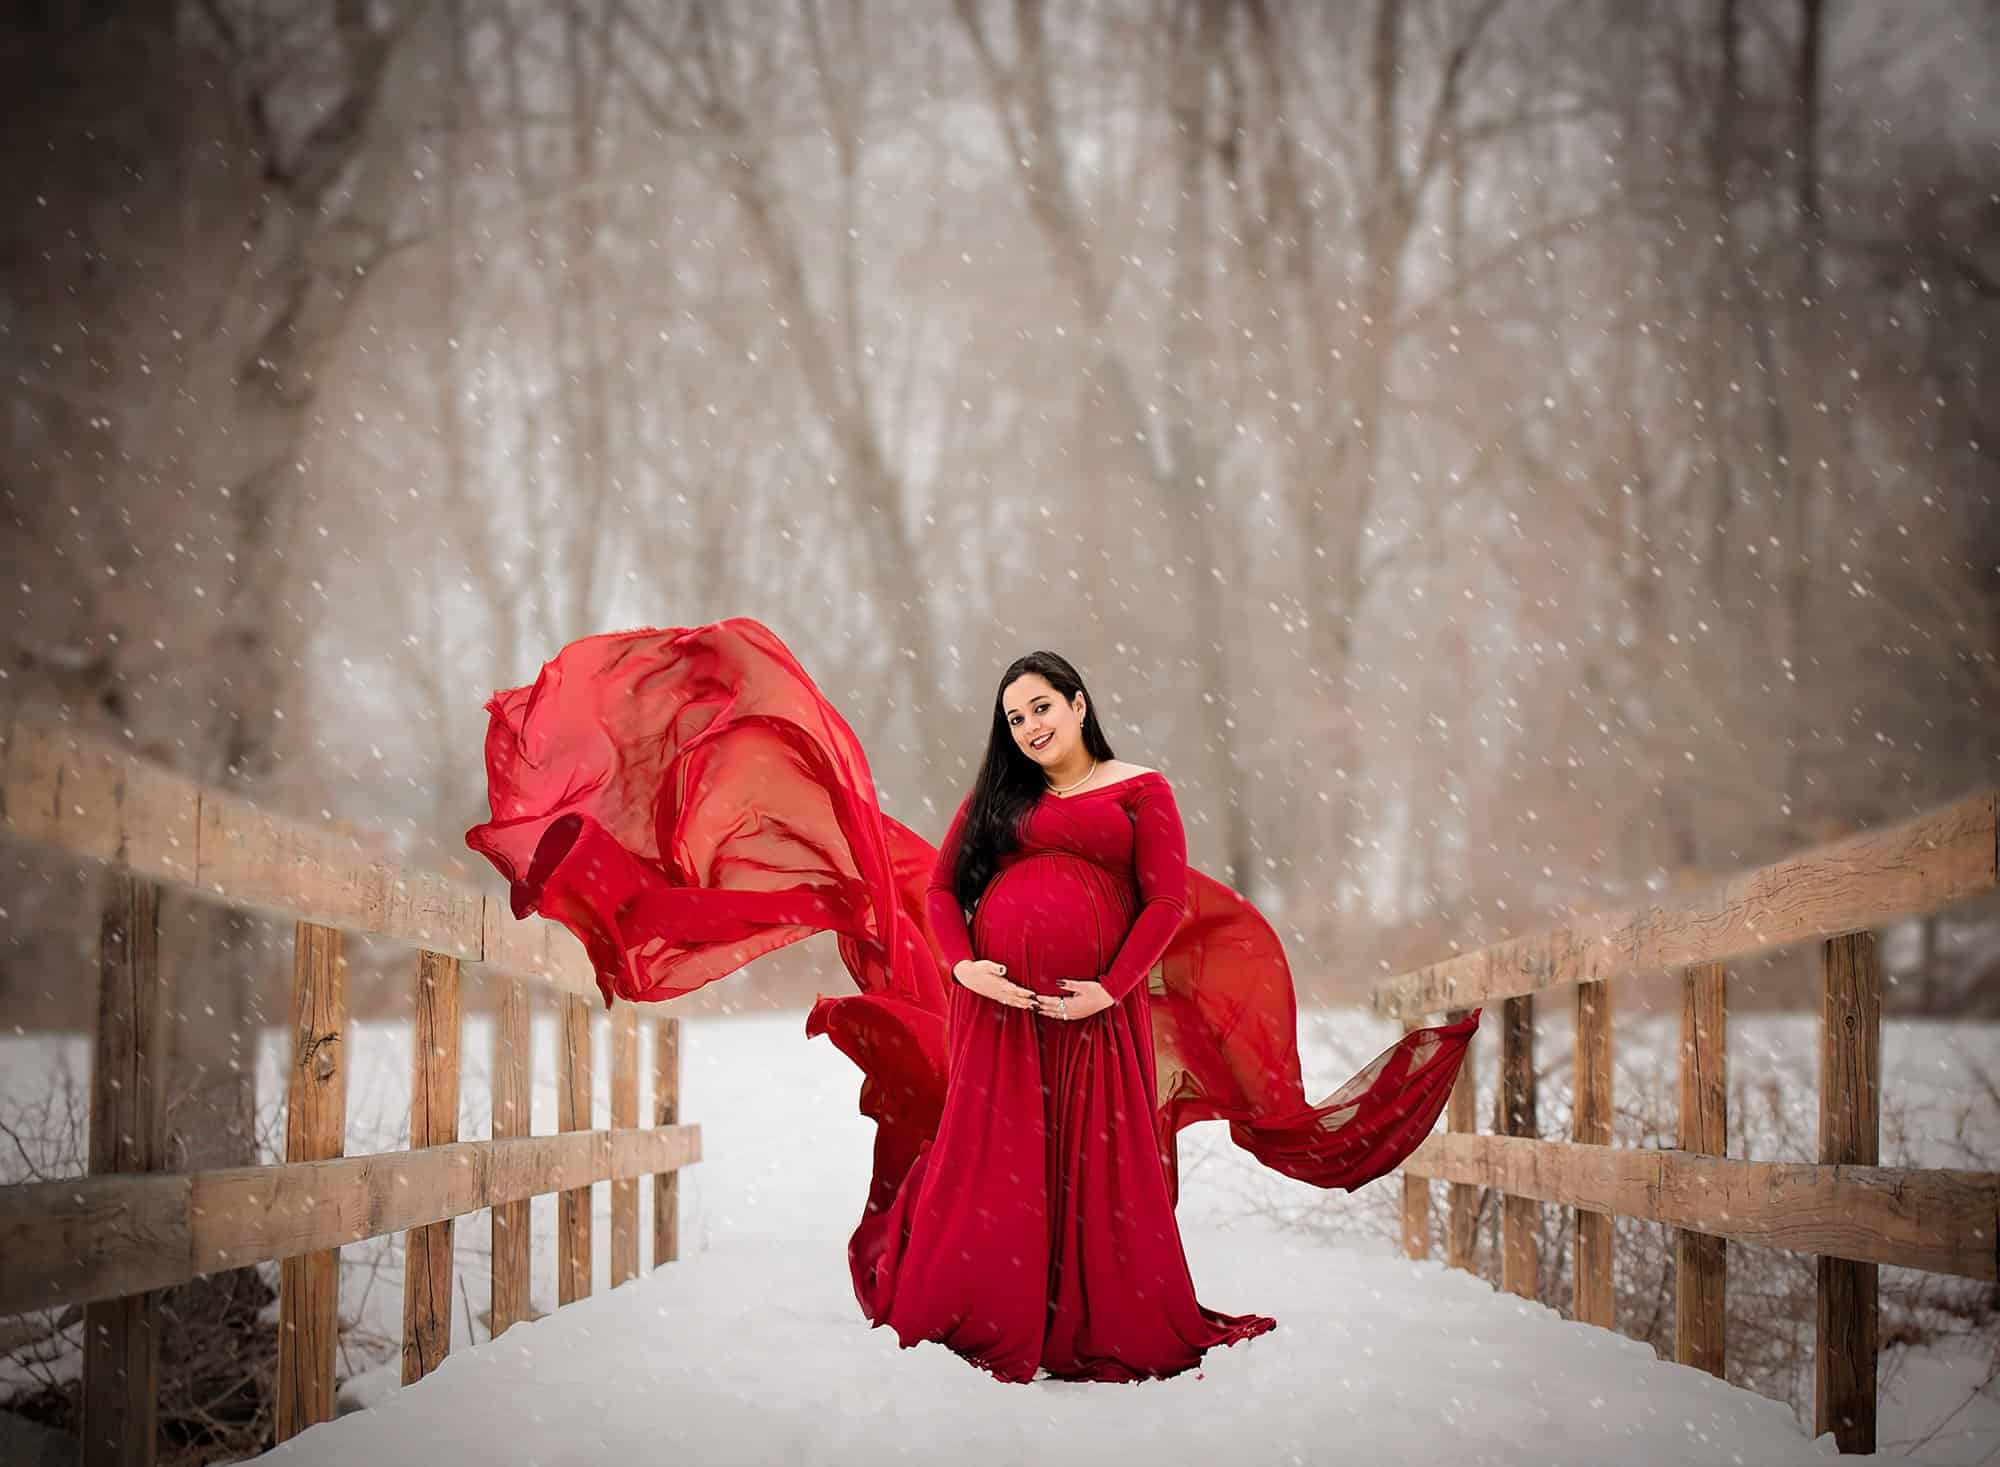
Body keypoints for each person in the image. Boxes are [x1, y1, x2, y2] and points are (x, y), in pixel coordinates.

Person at [464, 618, 1479, 1385]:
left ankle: (1097, 1318)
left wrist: (1108, 991)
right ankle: (983, 1306)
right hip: (999, 1014)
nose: (1029, 726)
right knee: (1000, 1165)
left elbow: (1165, 901)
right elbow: (945, 892)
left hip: (1096, 1015)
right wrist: (964, 971)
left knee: (1088, 1166)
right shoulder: (997, 800)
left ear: (1077, 705)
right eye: (1014, 716)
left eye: (1041, 707)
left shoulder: (1139, 790)